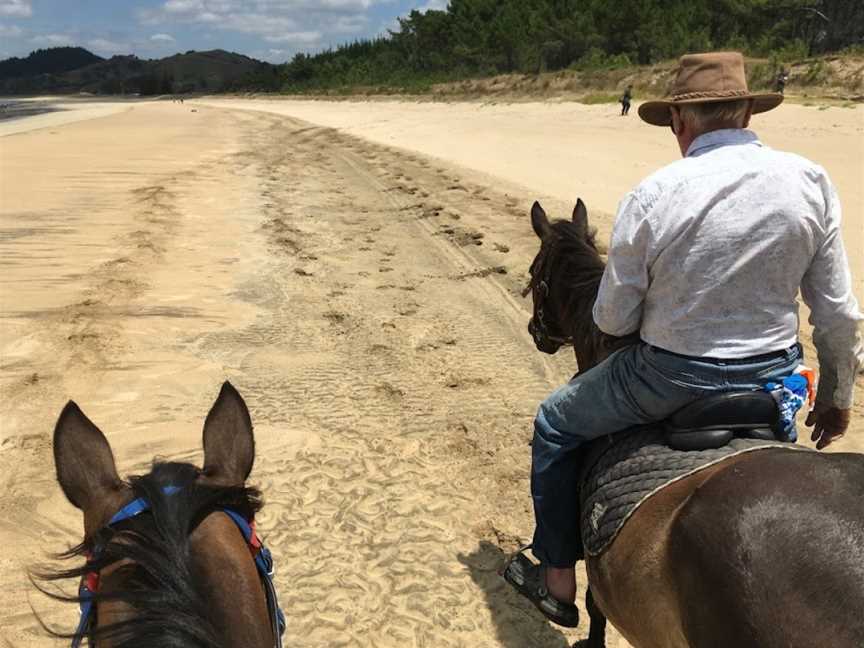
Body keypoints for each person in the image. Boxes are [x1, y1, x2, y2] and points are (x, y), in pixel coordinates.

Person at [505, 51, 862, 628]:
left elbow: (613, 321)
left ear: (678, 121)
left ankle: (555, 582)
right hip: (774, 379)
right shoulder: (811, 180)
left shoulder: (654, 193)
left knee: (554, 422)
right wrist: (837, 396)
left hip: (669, 378)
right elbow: (839, 316)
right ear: (747, 111)